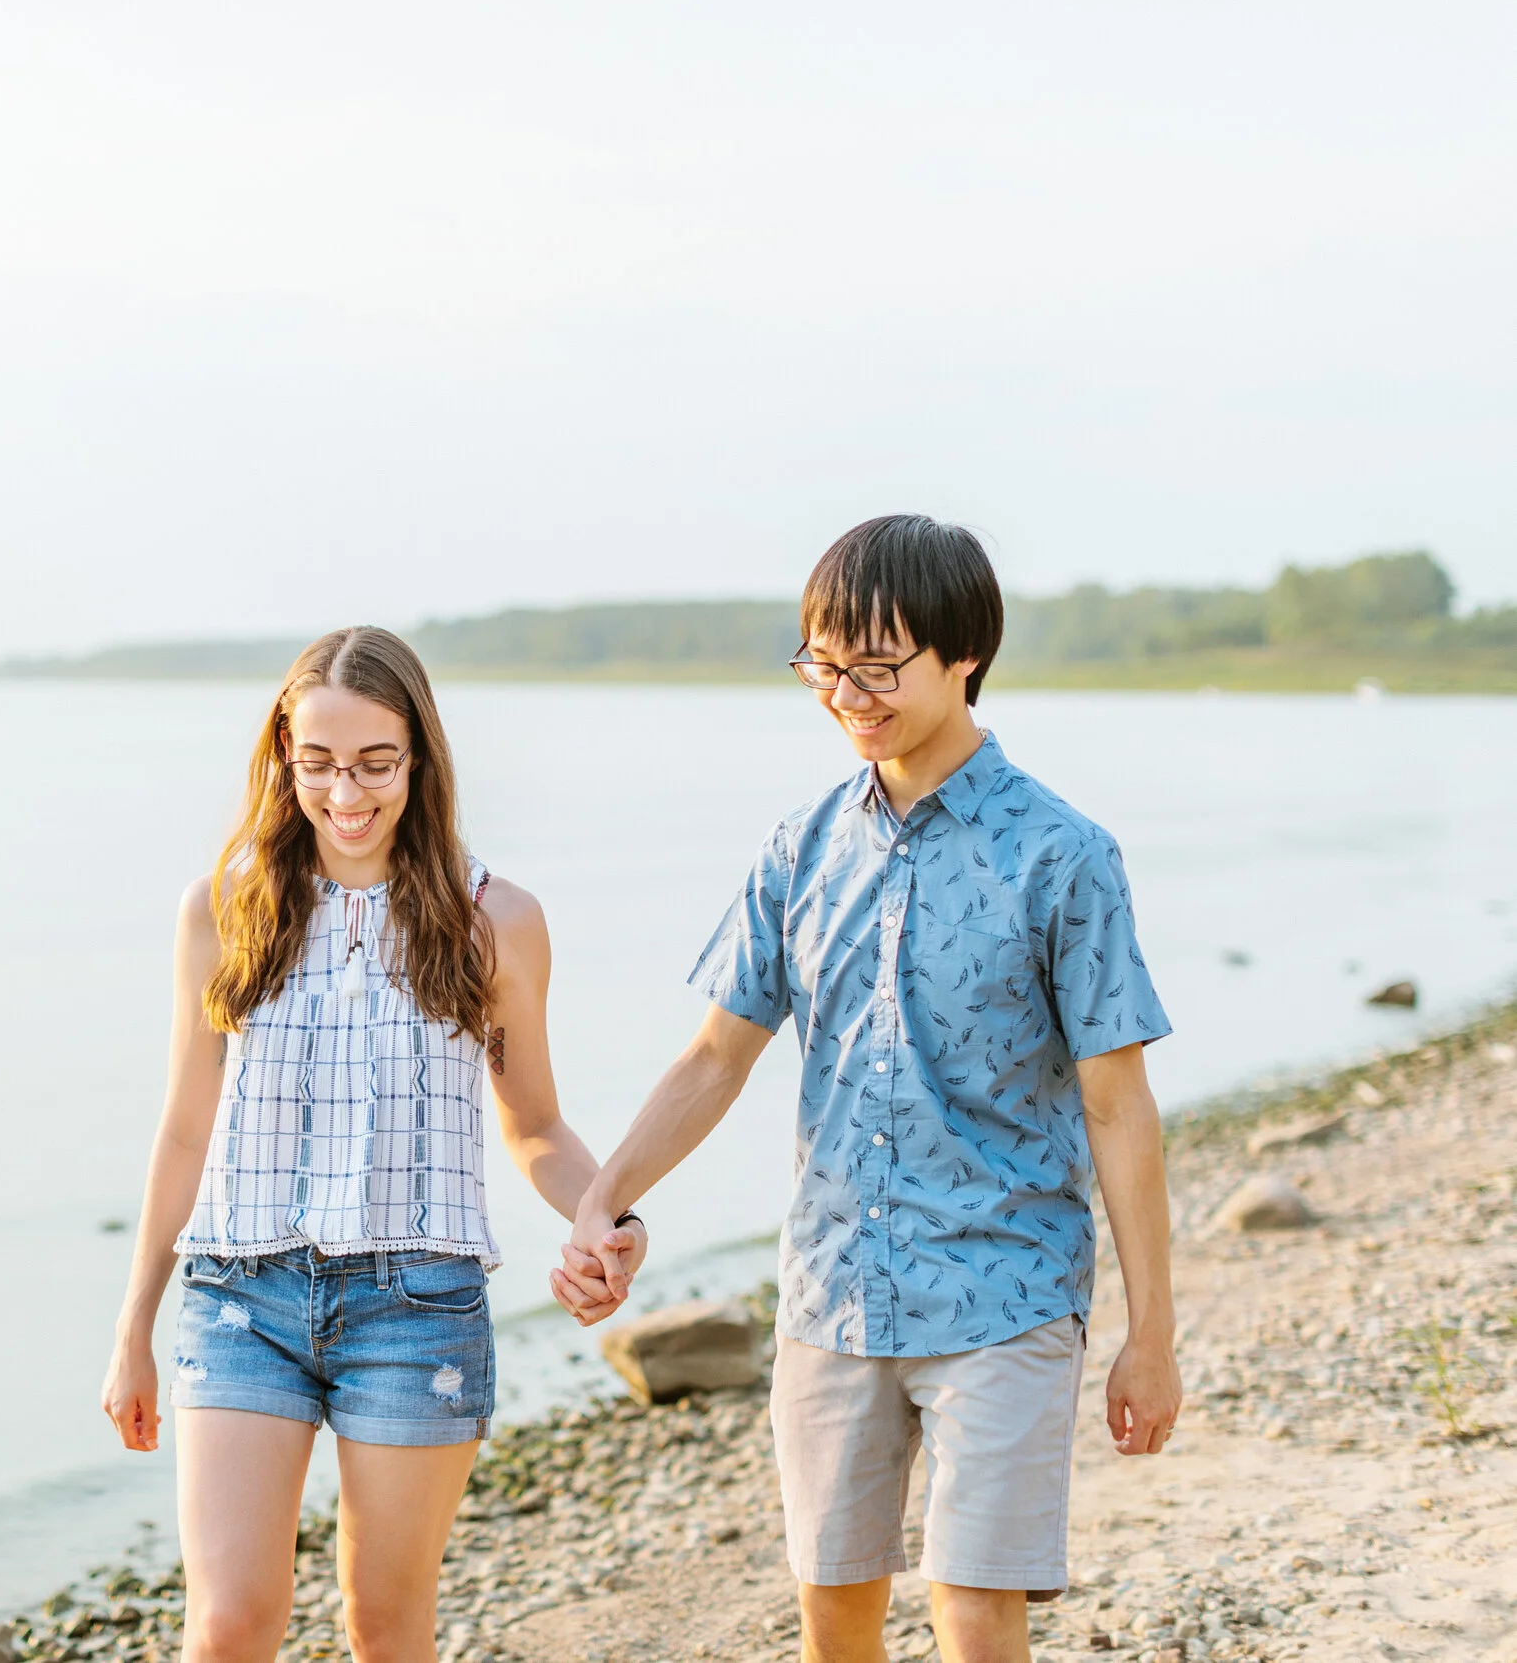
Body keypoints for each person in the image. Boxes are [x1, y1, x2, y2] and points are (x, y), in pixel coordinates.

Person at [561, 517, 1182, 1663]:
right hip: (831, 1291)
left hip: (1007, 1289)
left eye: (878, 665)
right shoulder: (797, 849)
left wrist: (1153, 1332)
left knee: (974, 1604)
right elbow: (715, 1055)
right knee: (833, 1610)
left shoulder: (1063, 855)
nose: (847, 692)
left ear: (963, 657)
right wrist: (603, 1197)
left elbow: (1116, 1103)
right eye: (822, 663)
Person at [101, 626, 643, 1663]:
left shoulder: (498, 922)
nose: (344, 792)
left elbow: (531, 1123)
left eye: (374, 763)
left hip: (415, 1310)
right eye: (317, 762)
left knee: (385, 1628)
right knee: (225, 1625)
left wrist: (605, 1213)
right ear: (284, 757)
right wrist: (134, 1320)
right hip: (238, 1296)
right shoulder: (224, 907)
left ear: (419, 759)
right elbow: (183, 1125)